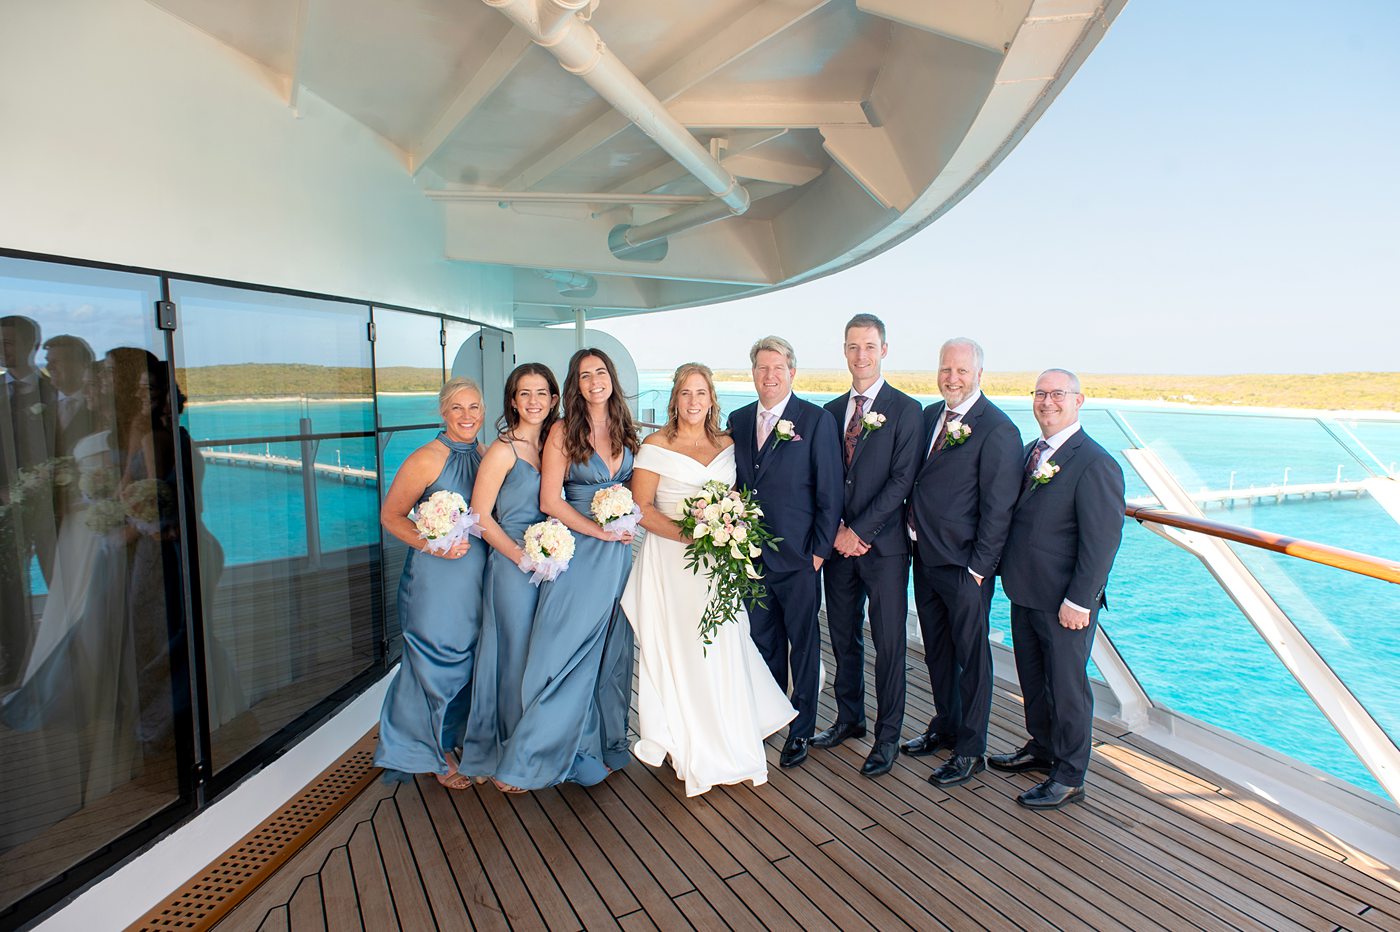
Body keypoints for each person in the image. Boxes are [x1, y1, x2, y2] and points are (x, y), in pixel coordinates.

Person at [621, 363, 796, 796]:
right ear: (675, 400)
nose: (694, 402)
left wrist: (727, 528)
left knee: (723, 646)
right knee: (684, 649)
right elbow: (641, 507)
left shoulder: (728, 443)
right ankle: (688, 737)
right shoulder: (655, 446)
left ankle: (729, 731)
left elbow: (738, 497)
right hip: (674, 563)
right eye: (685, 394)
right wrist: (691, 534)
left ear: (712, 399)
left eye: (701, 393)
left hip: (719, 566)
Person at [492, 348, 638, 791]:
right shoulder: (561, 431)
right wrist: (600, 530)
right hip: (581, 554)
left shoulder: (626, 430)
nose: (594, 380)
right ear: (574, 385)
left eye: (600, 372)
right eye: (584, 374)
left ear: (611, 377)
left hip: (617, 555)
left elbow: (635, 491)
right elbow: (549, 501)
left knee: (608, 652)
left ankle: (599, 747)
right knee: (565, 654)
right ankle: (530, 760)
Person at [992, 368, 1125, 810]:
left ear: (1078, 400)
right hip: (1025, 591)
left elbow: (1102, 541)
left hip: (1065, 601)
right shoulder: (1033, 452)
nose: (1047, 402)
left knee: (1068, 688)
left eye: (1057, 394)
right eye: (1040, 394)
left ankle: (1070, 775)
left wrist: (1079, 601)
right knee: (1033, 679)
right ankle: (1043, 747)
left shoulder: (1096, 462)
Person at [904, 338, 1022, 787]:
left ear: (978, 375)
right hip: (926, 556)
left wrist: (979, 569)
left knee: (972, 660)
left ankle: (971, 750)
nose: (952, 378)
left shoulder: (997, 429)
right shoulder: (930, 416)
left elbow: (999, 508)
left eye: (961, 371)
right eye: (946, 369)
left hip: (965, 567)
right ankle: (946, 725)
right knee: (937, 650)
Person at [812, 315, 922, 777]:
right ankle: (850, 718)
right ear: (844, 350)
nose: (861, 355)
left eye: (869, 346)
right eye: (853, 347)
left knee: (890, 642)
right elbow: (825, 477)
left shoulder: (908, 410)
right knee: (843, 636)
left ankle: (888, 735)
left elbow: (902, 481)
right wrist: (837, 528)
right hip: (838, 547)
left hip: (885, 549)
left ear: (884, 350)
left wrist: (859, 532)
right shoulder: (830, 412)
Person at [727, 336, 842, 768]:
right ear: (752, 373)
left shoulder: (814, 420)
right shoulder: (738, 420)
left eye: (777, 368)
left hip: (798, 558)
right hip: (749, 556)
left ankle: (803, 727)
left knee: (804, 644)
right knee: (762, 642)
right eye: (761, 368)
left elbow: (830, 492)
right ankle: (771, 717)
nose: (769, 376)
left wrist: (817, 553)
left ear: (792, 372)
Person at [372, 377, 488, 789]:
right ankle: (425, 754)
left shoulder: (484, 454)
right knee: (433, 661)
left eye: (474, 407)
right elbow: (391, 516)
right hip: (435, 581)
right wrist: (432, 544)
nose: (467, 416)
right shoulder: (425, 458)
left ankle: (447, 739)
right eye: (458, 408)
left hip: (475, 578)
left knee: (468, 660)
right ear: (443, 412)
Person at [457, 363, 558, 783]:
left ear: (553, 399)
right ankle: (503, 755)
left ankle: (531, 747)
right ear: (512, 401)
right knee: (512, 658)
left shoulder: (554, 443)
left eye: (541, 393)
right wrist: (521, 558)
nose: (533, 401)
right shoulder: (503, 450)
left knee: (540, 656)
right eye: (524, 394)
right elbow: (479, 517)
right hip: (514, 565)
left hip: (552, 561)